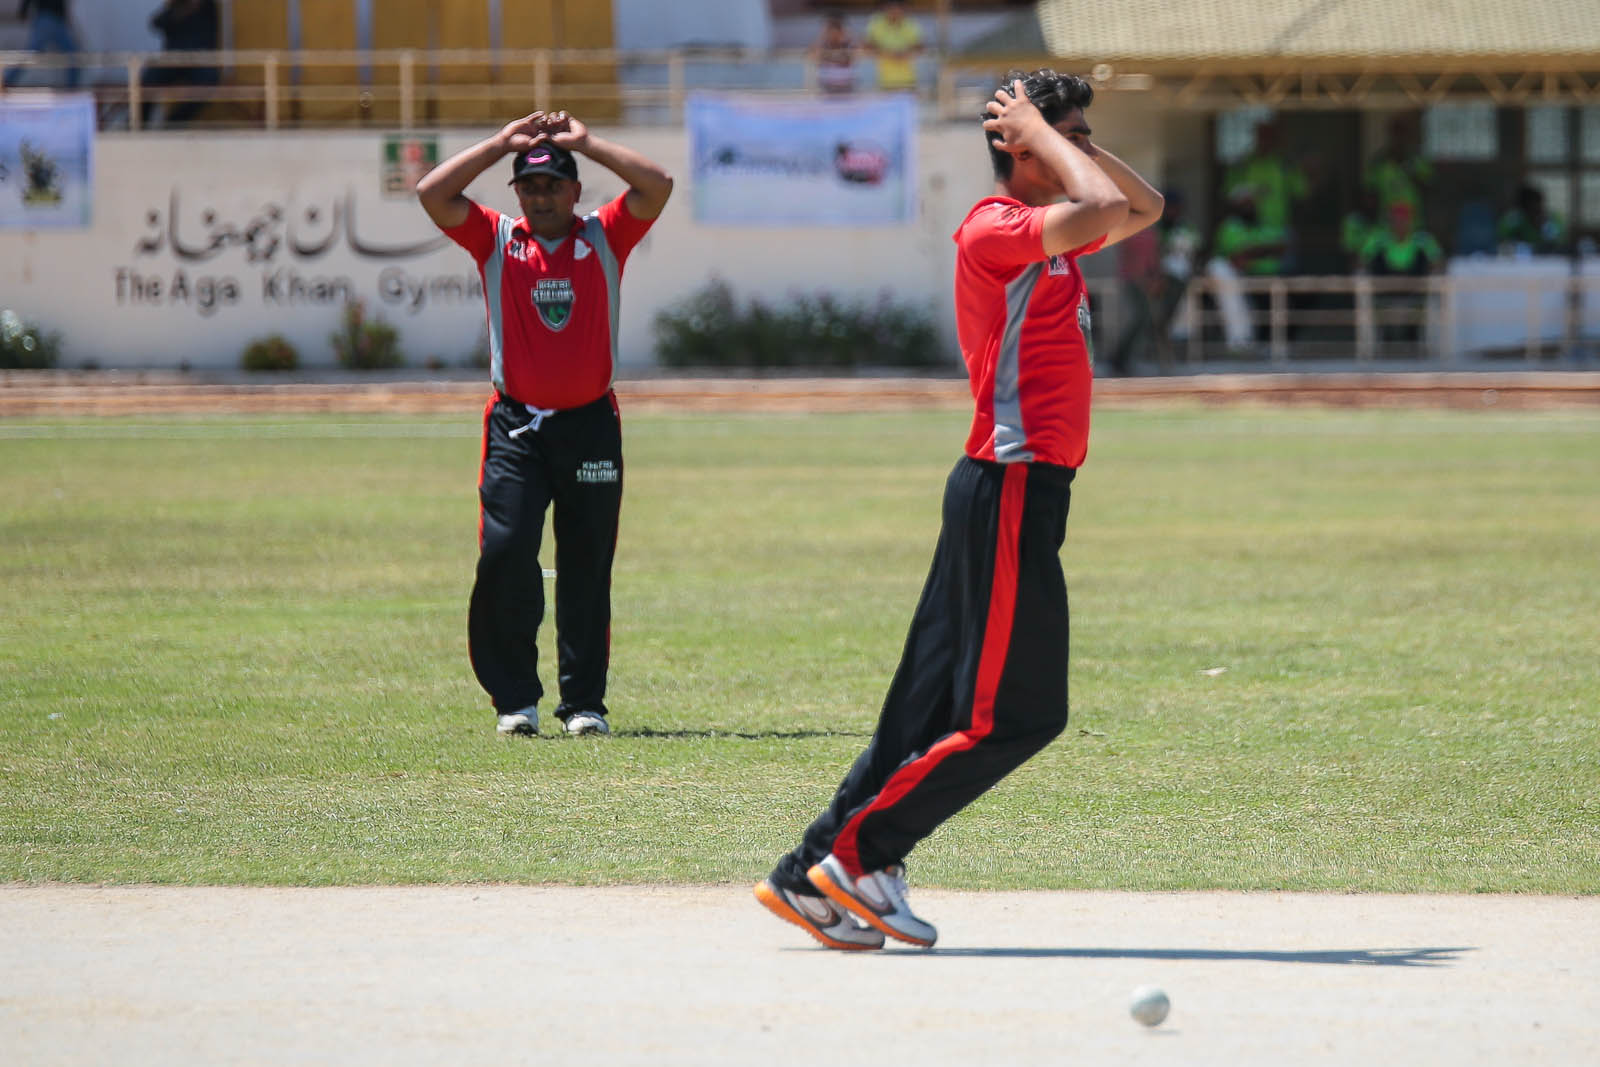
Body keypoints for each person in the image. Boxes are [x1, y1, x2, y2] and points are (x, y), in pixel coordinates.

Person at [754, 68, 1161, 950]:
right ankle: (861, 856)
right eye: (1071, 136)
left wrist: (1066, 140)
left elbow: (1144, 206)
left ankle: (809, 873)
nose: (1085, 151)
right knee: (1019, 714)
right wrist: (1039, 135)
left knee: (923, 711)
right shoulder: (995, 227)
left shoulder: (1050, 234)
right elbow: (1100, 205)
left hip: (1010, 491)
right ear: (1020, 147)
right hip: (1008, 486)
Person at [416, 110, 673, 738]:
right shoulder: (497, 238)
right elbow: (432, 193)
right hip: (516, 428)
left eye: (553, 185)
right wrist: (500, 142)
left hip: (590, 425)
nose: (541, 197)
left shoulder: (606, 235)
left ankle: (584, 704)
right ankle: (515, 699)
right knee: (506, 554)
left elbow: (658, 185)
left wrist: (587, 143)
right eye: (529, 186)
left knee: (586, 562)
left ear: (574, 190)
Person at [1361, 200, 1442, 347]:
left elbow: (1438, 263)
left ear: (1410, 222)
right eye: (1395, 220)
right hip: (1385, 295)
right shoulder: (1378, 239)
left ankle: (1413, 346)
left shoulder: (1422, 239)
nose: (1399, 224)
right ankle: (1387, 347)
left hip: (1414, 295)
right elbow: (1361, 262)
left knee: (1413, 328)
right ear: (1390, 222)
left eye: (1403, 220)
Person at [145, 0, 221, 127]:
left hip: (200, 61)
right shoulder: (176, 7)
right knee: (149, 80)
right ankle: (138, 123)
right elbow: (156, 23)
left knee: (209, 82)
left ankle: (173, 124)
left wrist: (194, 6)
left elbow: (212, 32)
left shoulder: (208, 6)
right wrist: (180, 10)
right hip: (172, 61)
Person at [1363, 113, 1432, 220]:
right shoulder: (1379, 162)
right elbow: (1369, 192)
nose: (1399, 139)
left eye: (1403, 134)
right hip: (1386, 222)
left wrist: (1409, 169)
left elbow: (1429, 189)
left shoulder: (1417, 161)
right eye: (1396, 134)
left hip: (1413, 221)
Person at [5, 0, 80, 89]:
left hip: (57, 20)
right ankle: (7, 80)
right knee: (31, 53)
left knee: (74, 54)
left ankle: (72, 87)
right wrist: (23, 12)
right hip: (46, 18)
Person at [862, 1, 923, 93]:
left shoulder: (910, 24)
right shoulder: (876, 24)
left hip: (908, 80)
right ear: (885, 9)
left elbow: (919, 47)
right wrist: (888, 53)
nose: (894, 12)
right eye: (891, 9)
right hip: (882, 80)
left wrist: (903, 54)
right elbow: (866, 47)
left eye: (897, 9)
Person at [1497, 183, 1565, 255]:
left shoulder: (1553, 219)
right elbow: (1502, 239)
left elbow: (1558, 242)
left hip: (1548, 257)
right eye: (1529, 205)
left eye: (1536, 204)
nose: (1533, 208)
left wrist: (1544, 225)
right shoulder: (1514, 218)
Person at [809, 13, 857, 96]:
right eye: (830, 32)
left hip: (846, 88)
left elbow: (854, 56)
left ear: (841, 32)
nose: (834, 36)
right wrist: (822, 38)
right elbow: (813, 57)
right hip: (827, 88)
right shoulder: (822, 46)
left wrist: (847, 37)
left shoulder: (849, 46)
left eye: (837, 32)